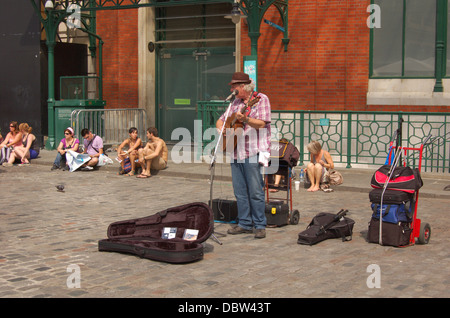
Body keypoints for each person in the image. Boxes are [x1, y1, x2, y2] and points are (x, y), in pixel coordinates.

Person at [215, 72, 271, 239]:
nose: (231, 89)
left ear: (243, 87)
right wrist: (223, 130)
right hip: (235, 152)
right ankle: (244, 223)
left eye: (234, 86)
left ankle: (260, 224)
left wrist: (245, 119)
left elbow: (262, 123)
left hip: (253, 151)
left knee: (255, 190)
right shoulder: (234, 103)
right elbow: (221, 120)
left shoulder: (261, 99)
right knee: (239, 191)